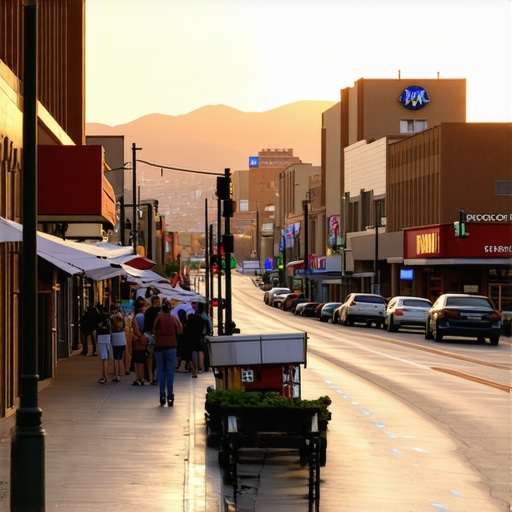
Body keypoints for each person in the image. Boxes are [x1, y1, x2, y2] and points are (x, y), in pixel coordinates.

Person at [153, 299, 183, 406]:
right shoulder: (174, 318)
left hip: (159, 346)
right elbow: (180, 330)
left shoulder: (159, 317)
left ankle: (162, 395)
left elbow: (153, 330)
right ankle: (170, 395)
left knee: (161, 369)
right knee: (170, 371)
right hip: (171, 346)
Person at [183, 305, 207, 378]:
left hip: (190, 339)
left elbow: (186, 330)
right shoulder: (201, 319)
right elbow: (204, 329)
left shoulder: (189, 321)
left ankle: (195, 369)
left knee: (193, 353)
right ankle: (201, 367)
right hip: (199, 337)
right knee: (200, 350)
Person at [143, 295, 161, 385]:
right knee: (157, 357)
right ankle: (155, 377)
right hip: (158, 336)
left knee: (149, 357)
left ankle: (150, 377)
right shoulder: (160, 312)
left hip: (148, 335)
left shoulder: (148, 311)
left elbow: (145, 325)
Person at [130, 300, 148, 386]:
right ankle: (141, 378)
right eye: (144, 306)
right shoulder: (141, 317)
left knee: (136, 360)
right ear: (141, 308)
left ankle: (137, 378)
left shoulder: (135, 317)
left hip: (135, 340)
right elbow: (141, 329)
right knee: (141, 361)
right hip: (141, 339)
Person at [110, 304, 127, 382]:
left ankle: (116, 374)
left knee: (116, 357)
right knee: (120, 356)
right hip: (122, 337)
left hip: (115, 337)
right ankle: (120, 372)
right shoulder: (121, 315)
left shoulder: (113, 317)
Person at [96, 305, 112, 384]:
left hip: (101, 338)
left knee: (103, 358)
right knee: (107, 358)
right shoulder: (108, 317)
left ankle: (104, 376)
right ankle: (105, 375)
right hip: (108, 337)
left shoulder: (98, 317)